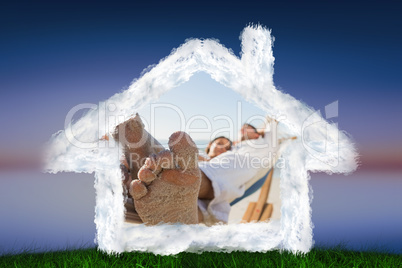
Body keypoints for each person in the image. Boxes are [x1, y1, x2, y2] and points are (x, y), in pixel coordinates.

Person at [112, 114, 278, 225]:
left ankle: (174, 198)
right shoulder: (195, 154)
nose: (223, 148)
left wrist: (257, 132)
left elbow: (272, 127)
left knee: (232, 163)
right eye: (219, 144)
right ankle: (175, 204)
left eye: (227, 146)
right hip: (179, 173)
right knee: (166, 163)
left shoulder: (242, 152)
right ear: (208, 147)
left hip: (201, 179)